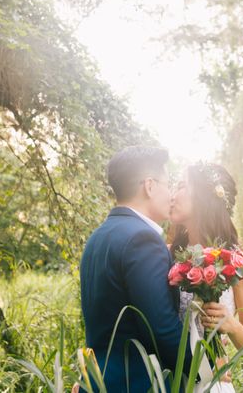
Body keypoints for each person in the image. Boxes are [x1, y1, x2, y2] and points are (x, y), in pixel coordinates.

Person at [78, 146, 192, 392]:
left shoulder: (96, 238)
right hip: (139, 383)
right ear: (149, 186)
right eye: (167, 183)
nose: (170, 194)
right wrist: (203, 368)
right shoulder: (142, 239)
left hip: (98, 382)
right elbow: (161, 327)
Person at [169, 162, 243, 392]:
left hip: (213, 383)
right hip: (170, 379)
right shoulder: (168, 254)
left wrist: (231, 325)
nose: (173, 194)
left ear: (202, 197)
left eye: (182, 186)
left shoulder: (239, 264)